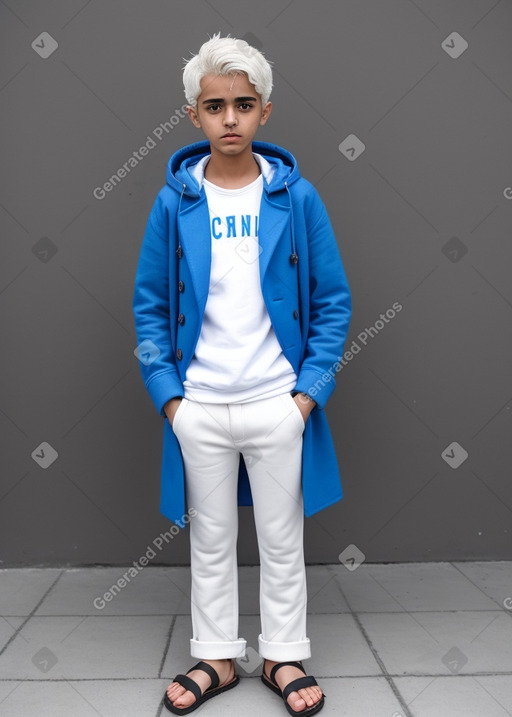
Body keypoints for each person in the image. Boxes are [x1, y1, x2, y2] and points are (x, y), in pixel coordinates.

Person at [132, 32, 352, 716]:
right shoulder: (175, 202)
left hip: (277, 403)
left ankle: (284, 654)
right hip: (199, 405)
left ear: (265, 111)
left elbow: (335, 302)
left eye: (244, 104)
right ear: (193, 116)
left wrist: (306, 396)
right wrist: (172, 401)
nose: (230, 118)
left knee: (283, 535)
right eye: (215, 105)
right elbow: (150, 306)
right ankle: (218, 655)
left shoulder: (297, 198)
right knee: (211, 536)